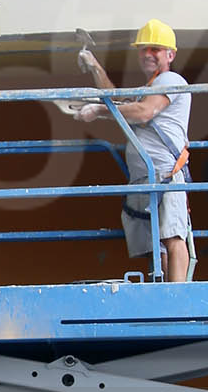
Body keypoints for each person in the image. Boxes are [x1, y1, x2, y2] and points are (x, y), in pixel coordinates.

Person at [72, 18, 193, 282]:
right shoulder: (148, 88)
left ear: (170, 55)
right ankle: (163, 292)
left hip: (164, 173)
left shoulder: (171, 79)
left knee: (172, 237)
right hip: (145, 176)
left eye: (155, 49)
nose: (148, 54)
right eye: (143, 49)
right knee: (155, 244)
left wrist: (99, 110)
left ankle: (177, 296)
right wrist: (94, 66)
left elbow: (144, 112)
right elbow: (116, 100)